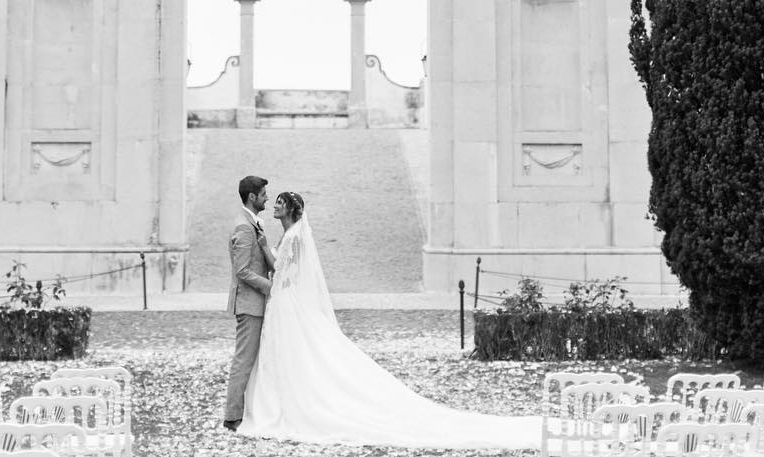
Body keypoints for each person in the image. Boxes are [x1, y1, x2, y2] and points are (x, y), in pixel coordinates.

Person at [238, 192, 542, 449]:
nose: (274, 206)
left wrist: (264, 247)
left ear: (290, 209)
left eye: (279, 203)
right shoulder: (291, 234)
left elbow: (280, 269)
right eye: (273, 201)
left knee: (295, 352)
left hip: (287, 303)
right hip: (287, 302)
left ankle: (288, 402)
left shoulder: (291, 237)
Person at [223, 174, 275, 431]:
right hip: (249, 304)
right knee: (243, 361)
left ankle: (246, 411)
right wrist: (270, 287)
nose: (267, 198)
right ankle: (232, 417)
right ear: (252, 197)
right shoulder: (244, 226)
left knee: (250, 360)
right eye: (264, 194)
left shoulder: (252, 222)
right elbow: (242, 270)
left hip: (255, 303)